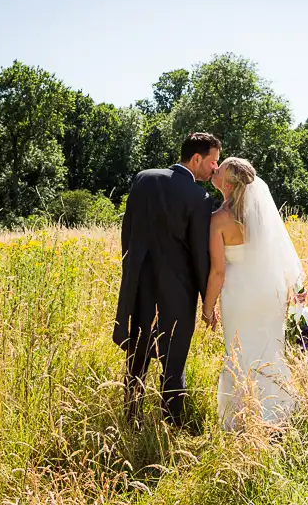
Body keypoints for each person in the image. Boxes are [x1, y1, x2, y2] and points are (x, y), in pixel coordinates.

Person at [113, 132, 220, 427]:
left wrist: (130, 270)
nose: (214, 169)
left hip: (141, 285)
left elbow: (128, 230)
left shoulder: (144, 178)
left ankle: (131, 416)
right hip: (178, 293)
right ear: (196, 158)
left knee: (138, 354)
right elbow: (200, 255)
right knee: (173, 361)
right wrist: (206, 300)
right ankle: (171, 424)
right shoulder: (200, 197)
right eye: (213, 162)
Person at [202, 157, 306, 430]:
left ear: (227, 183)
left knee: (239, 349)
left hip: (239, 295)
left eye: (220, 168)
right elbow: (280, 253)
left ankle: (240, 417)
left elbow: (218, 272)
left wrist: (207, 307)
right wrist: (294, 289)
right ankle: (277, 411)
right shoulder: (262, 216)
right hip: (268, 292)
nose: (215, 169)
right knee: (269, 347)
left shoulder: (219, 220)